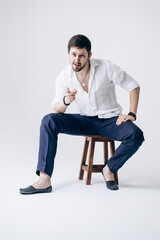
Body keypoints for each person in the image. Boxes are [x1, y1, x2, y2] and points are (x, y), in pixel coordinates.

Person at [20, 34, 145, 194]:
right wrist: (66, 101)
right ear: (68, 53)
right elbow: (57, 108)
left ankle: (109, 169)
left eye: (81, 55)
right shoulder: (64, 76)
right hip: (84, 120)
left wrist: (132, 114)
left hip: (110, 120)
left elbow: (133, 85)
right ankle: (44, 179)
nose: (77, 60)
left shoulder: (106, 67)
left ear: (89, 55)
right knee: (48, 120)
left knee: (136, 135)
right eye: (73, 55)